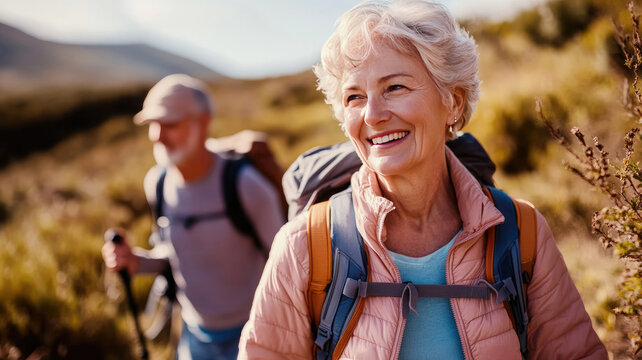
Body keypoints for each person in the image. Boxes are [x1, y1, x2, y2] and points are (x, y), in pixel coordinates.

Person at [238, 1, 607, 359]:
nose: (373, 114)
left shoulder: (522, 232)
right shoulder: (303, 247)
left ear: (453, 102)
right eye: (354, 97)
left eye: (395, 87)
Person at [102, 74, 285, 360]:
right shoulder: (157, 183)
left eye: (169, 124)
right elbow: (173, 254)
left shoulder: (246, 186)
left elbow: (287, 267)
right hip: (193, 337)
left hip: (256, 334)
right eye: (153, 125)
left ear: (203, 122)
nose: (157, 135)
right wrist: (135, 262)